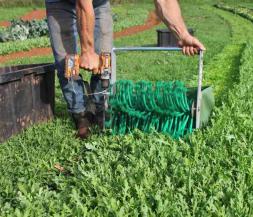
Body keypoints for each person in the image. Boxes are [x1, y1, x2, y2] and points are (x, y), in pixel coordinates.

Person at [45, 0, 205, 139]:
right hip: (60, 2)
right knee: (66, 62)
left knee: (105, 58)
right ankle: (80, 114)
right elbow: (83, 3)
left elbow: (164, 1)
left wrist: (183, 35)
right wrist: (87, 51)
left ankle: (102, 109)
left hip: (98, 3)